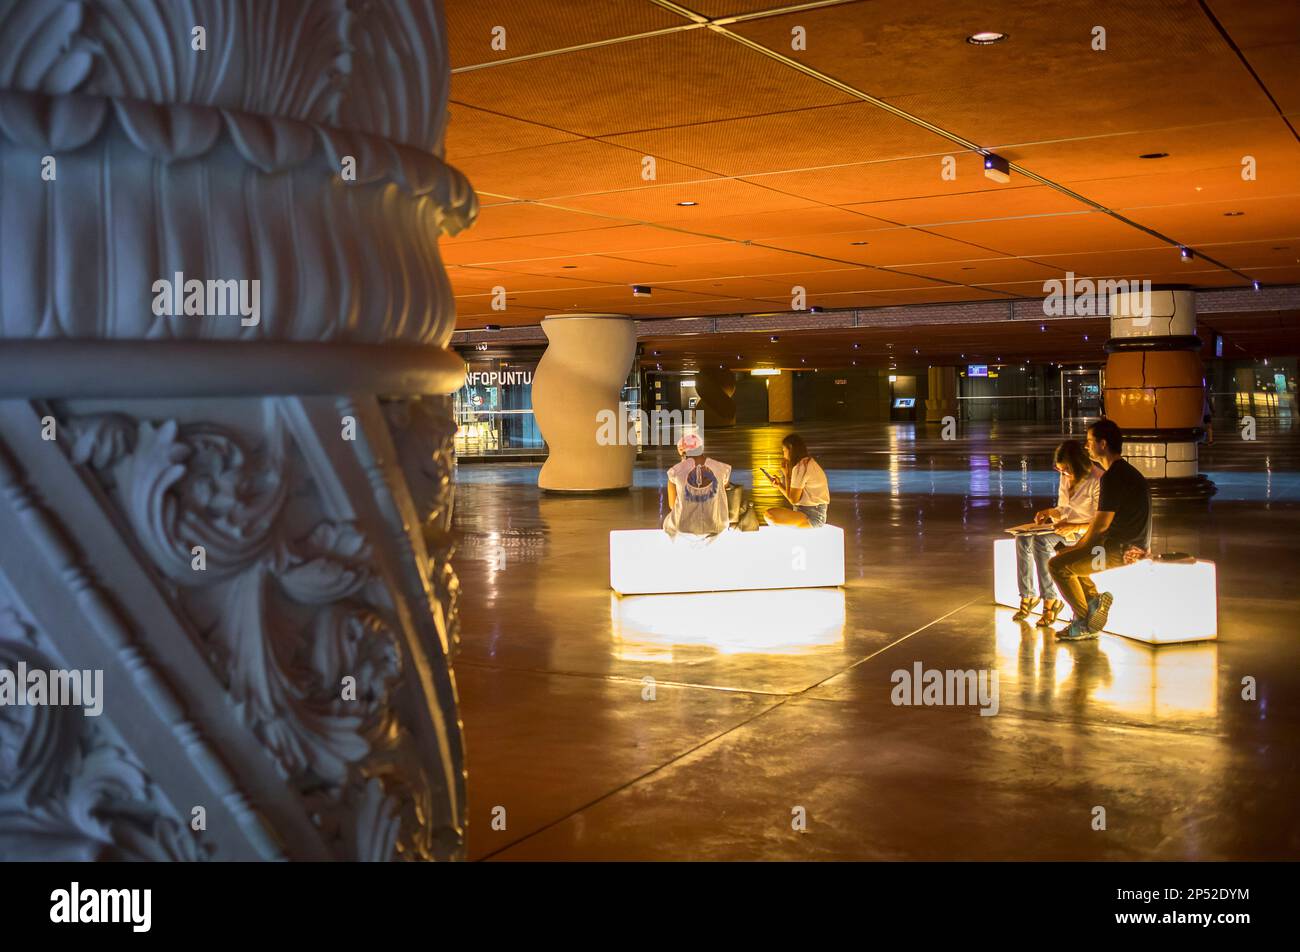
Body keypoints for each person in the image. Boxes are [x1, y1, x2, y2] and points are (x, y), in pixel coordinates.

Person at [1047, 418, 1151, 641]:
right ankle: (1093, 602)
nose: (1086, 447)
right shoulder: (1124, 472)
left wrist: (1079, 546)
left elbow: (1101, 524)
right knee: (1065, 555)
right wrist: (1076, 548)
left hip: (1121, 550)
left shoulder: (1112, 477)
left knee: (1057, 565)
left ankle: (1085, 622)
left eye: (1089, 441)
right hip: (1127, 545)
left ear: (1103, 444)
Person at [1013, 440, 1100, 628]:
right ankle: (1028, 595)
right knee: (1022, 538)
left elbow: (1100, 522)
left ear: (1078, 464)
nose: (1064, 474)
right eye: (1060, 470)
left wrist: (1073, 527)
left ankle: (1051, 600)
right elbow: (1063, 508)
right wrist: (1050, 512)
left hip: (1083, 532)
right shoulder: (1065, 477)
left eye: (1066, 470)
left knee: (1041, 543)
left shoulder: (1097, 480)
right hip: (1064, 528)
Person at [663, 432, 732, 539]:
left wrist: (682, 461)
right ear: (702, 448)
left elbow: (672, 505)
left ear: (682, 451)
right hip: (717, 526)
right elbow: (726, 490)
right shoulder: (722, 468)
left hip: (683, 528)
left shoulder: (674, 472)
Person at [763, 433, 830, 527]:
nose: (783, 455)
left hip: (813, 515)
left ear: (790, 448)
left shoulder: (802, 467)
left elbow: (793, 500)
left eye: (784, 450)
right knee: (771, 516)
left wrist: (786, 475)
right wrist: (779, 486)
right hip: (806, 512)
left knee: (770, 515)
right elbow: (793, 497)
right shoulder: (806, 463)